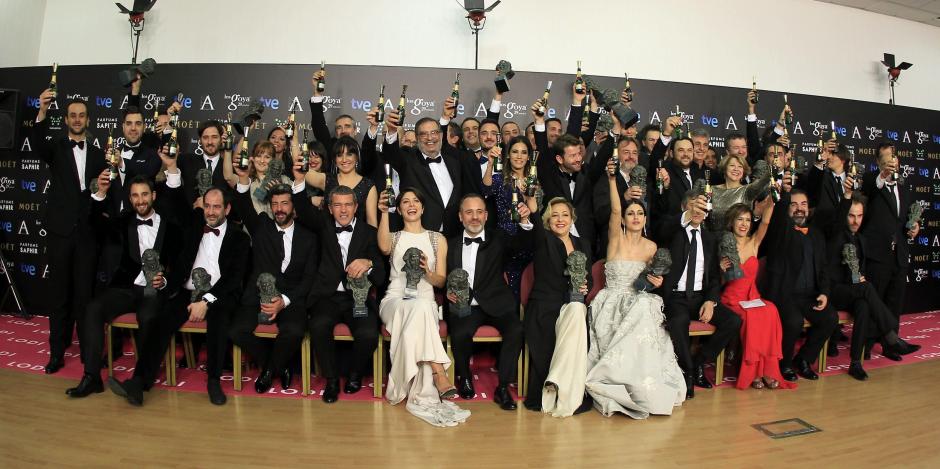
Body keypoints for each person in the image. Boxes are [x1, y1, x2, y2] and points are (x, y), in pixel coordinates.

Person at [70, 171, 185, 404]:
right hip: (125, 288)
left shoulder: (172, 228)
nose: (140, 200)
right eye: (135, 196)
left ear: (153, 195)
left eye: (144, 194)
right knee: (93, 309)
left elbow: (181, 267)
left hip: (153, 291)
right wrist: (99, 195)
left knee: (149, 316)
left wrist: (164, 281)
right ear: (130, 199)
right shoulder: (123, 222)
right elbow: (96, 225)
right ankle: (91, 376)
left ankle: (140, 382)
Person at [583, 160, 685, 418]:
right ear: (624, 219)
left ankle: (643, 383)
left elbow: (651, 280)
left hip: (639, 303)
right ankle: (616, 377)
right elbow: (615, 209)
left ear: (645, 218)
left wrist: (656, 283)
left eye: (640, 213)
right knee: (642, 306)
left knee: (645, 303)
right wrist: (611, 179)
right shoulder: (615, 239)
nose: (635, 217)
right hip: (611, 304)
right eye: (631, 214)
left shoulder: (652, 247)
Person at [31, 89, 110, 374]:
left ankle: (89, 353)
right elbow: (37, 144)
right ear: (65, 120)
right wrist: (42, 111)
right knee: (59, 295)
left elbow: (102, 195)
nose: (77, 120)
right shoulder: (56, 148)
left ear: (88, 120)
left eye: (82, 115)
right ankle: (56, 354)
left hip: (87, 234)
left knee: (85, 297)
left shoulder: (100, 155)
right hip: (60, 233)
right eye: (72, 115)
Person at [377, 187, 469, 427]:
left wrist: (427, 271)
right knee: (420, 309)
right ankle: (439, 372)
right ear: (399, 209)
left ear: (423, 207)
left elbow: (441, 281)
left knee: (422, 307)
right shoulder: (394, 237)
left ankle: (431, 376)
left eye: (416, 201)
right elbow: (384, 248)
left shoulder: (437, 239)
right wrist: (384, 212)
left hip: (426, 300)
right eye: (405, 202)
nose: (411, 205)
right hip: (395, 300)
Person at [292, 181, 385, 403]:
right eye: (337, 205)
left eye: (348, 205)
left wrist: (369, 263)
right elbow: (302, 210)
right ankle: (332, 380)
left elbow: (381, 275)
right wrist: (299, 179)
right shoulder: (321, 228)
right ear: (329, 208)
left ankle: (354, 375)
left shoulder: (369, 233)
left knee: (369, 334)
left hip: (358, 299)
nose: (343, 210)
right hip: (327, 296)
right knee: (318, 326)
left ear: (356, 207)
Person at [229, 170, 319, 394]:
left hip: (290, 298)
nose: (279, 208)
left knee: (294, 331)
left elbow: (309, 279)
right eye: (275, 204)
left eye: (285, 203)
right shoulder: (261, 226)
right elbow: (243, 205)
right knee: (236, 331)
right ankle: (280, 365)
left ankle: (268, 371)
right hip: (257, 296)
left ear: (293, 207)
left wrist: (284, 301)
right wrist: (243, 179)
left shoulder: (309, 237)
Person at [161, 183, 250, 405]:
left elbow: (232, 280)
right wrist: (166, 284)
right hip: (188, 291)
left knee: (219, 318)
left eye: (216, 207)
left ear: (227, 209)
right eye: (207, 206)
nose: (211, 211)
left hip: (221, 294)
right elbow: (179, 262)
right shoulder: (192, 230)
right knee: (162, 317)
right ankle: (139, 380)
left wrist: (206, 301)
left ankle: (213, 381)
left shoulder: (239, 238)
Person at [445, 194, 528, 410]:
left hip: (497, 303)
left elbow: (523, 245)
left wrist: (525, 222)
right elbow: (442, 275)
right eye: (469, 212)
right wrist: (447, 291)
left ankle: (503, 387)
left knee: (516, 330)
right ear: (460, 216)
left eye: (479, 212)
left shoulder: (498, 238)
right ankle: (465, 378)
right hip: (465, 305)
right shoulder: (450, 244)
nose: (475, 217)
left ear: (486, 215)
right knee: (460, 332)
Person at [828, 186, 919, 380]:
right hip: (833, 291)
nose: (855, 221)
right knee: (867, 288)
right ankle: (891, 336)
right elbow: (839, 218)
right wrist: (846, 197)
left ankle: (855, 363)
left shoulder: (862, 239)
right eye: (851, 216)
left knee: (863, 305)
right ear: (844, 215)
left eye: (859, 216)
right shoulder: (837, 233)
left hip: (853, 291)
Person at [657, 191, 742, 398]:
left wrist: (711, 301)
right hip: (676, 297)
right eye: (693, 206)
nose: (697, 211)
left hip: (700, 297)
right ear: (684, 208)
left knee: (733, 321)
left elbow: (713, 276)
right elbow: (661, 230)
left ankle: (698, 363)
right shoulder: (672, 232)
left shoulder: (710, 238)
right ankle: (687, 372)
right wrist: (687, 214)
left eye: (702, 208)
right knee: (678, 322)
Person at [522, 197, 592, 415]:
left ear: (572, 219)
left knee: (577, 310)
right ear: (547, 220)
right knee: (576, 312)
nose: (560, 219)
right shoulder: (543, 239)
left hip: (573, 307)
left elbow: (587, 278)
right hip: (545, 307)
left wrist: (585, 287)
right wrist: (534, 211)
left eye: (565, 215)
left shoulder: (583, 244)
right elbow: (535, 229)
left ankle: (561, 384)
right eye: (554, 215)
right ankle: (555, 385)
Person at [761, 188, 838, 382]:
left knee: (830, 317)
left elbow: (823, 268)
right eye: (793, 204)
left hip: (809, 295)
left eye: (803, 204)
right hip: (784, 295)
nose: (799, 209)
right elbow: (780, 218)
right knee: (793, 322)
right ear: (787, 208)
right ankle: (784, 364)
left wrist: (824, 292)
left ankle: (803, 359)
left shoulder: (816, 234)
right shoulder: (780, 232)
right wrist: (784, 195)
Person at [718, 202, 795, 390]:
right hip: (731, 299)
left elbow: (766, 222)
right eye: (740, 219)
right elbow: (716, 283)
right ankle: (754, 373)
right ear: (732, 222)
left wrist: (772, 197)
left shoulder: (754, 242)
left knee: (771, 310)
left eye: (747, 220)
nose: (744, 224)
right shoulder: (723, 245)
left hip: (751, 297)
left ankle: (767, 370)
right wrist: (721, 271)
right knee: (752, 316)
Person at [378, 106, 473, 237]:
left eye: (434, 132)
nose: (430, 138)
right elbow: (391, 155)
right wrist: (392, 131)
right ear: (417, 138)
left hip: (454, 234)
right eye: (423, 134)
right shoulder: (408, 159)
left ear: (441, 135)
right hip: (419, 234)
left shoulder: (455, 162)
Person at [859, 142, 919, 343]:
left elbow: (906, 216)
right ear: (878, 162)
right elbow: (871, 187)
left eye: (893, 158)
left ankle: (891, 344)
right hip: (878, 254)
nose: (890, 162)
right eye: (885, 158)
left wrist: (914, 226)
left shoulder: (904, 187)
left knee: (895, 302)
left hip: (899, 254)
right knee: (874, 301)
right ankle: (866, 344)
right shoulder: (871, 181)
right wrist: (883, 175)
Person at [480, 136, 539, 297]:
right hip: (507, 243)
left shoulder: (535, 180)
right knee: (513, 292)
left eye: (523, 152)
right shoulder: (500, 179)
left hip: (532, 240)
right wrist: (490, 164)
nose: (519, 156)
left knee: (531, 289)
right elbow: (485, 190)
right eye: (515, 152)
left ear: (529, 156)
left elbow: (536, 211)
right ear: (507, 155)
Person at [303, 136, 378, 227]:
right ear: (335, 160)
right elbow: (302, 169)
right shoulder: (327, 180)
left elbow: (372, 224)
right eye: (339, 155)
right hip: (327, 235)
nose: (344, 160)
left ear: (357, 157)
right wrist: (293, 141)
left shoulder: (368, 186)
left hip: (358, 236)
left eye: (349, 154)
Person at [222, 140, 291, 216]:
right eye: (258, 156)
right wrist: (228, 150)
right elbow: (228, 177)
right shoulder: (246, 181)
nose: (262, 161)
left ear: (273, 160)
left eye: (267, 157)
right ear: (253, 158)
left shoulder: (284, 179)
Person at [706, 154, 770, 231]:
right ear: (724, 168)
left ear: (743, 171)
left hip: (740, 237)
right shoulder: (711, 190)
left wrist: (773, 168)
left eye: (740, 166)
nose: (736, 169)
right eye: (732, 165)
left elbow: (763, 181)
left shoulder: (747, 190)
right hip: (712, 237)